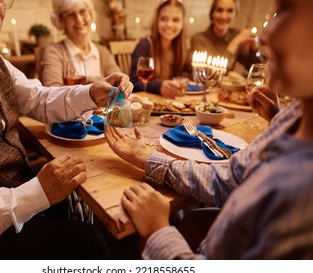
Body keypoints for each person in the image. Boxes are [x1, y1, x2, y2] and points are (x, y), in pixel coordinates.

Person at [0, 0, 133, 259]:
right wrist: (36, 194)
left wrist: (90, 93)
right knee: (87, 239)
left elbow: (39, 98)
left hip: (19, 195)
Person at [104, 0, 313, 259]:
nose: (263, 35)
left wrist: (159, 231)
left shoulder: (303, 191)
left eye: (285, 12)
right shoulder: (293, 117)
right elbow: (230, 178)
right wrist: (147, 158)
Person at [41, 0, 121, 86]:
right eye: (70, 14)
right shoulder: (54, 52)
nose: (79, 20)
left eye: (83, 12)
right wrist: (91, 83)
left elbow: (119, 82)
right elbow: (52, 91)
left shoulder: (103, 51)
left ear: (90, 15)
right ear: (61, 21)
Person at [130, 0, 190, 99]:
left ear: (183, 23)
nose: (169, 24)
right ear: (157, 21)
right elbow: (134, 83)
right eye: (164, 19)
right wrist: (159, 86)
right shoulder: (144, 46)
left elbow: (189, 74)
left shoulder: (182, 49)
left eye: (175, 20)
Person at [190, 0, 261, 72]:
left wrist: (253, 49)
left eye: (230, 11)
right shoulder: (199, 39)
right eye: (219, 10)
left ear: (235, 14)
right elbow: (209, 72)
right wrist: (235, 43)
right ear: (212, 13)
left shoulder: (236, 35)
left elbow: (254, 69)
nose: (224, 16)